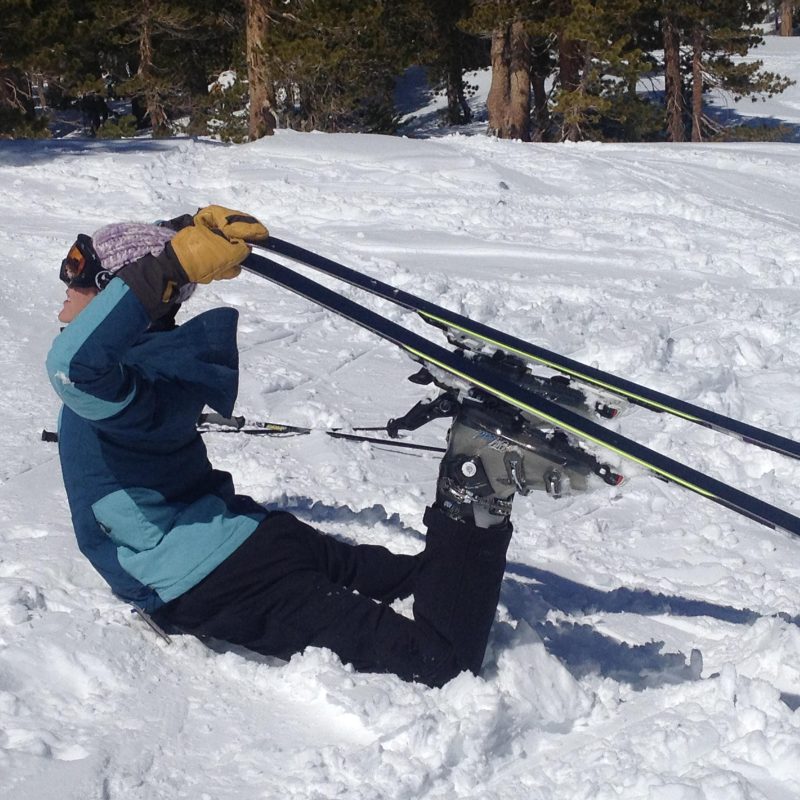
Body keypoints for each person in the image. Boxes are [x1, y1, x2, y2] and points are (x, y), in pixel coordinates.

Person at [48, 206, 530, 687]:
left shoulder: (117, 386)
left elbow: (74, 367)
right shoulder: (151, 363)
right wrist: (178, 238)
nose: (67, 286)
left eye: (81, 275)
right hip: (252, 538)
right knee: (421, 579)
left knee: (438, 661)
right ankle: (475, 490)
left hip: (212, 581)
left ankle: (478, 478)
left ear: (117, 294)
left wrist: (169, 265)